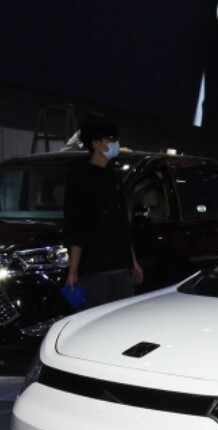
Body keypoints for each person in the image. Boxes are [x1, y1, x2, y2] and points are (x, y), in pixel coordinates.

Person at [63, 119, 143, 309]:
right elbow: (76, 227)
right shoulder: (81, 178)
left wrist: (133, 262)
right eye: (111, 139)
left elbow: (122, 223)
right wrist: (73, 271)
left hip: (120, 266)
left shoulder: (113, 176)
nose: (116, 144)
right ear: (96, 143)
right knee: (97, 315)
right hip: (94, 269)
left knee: (122, 316)